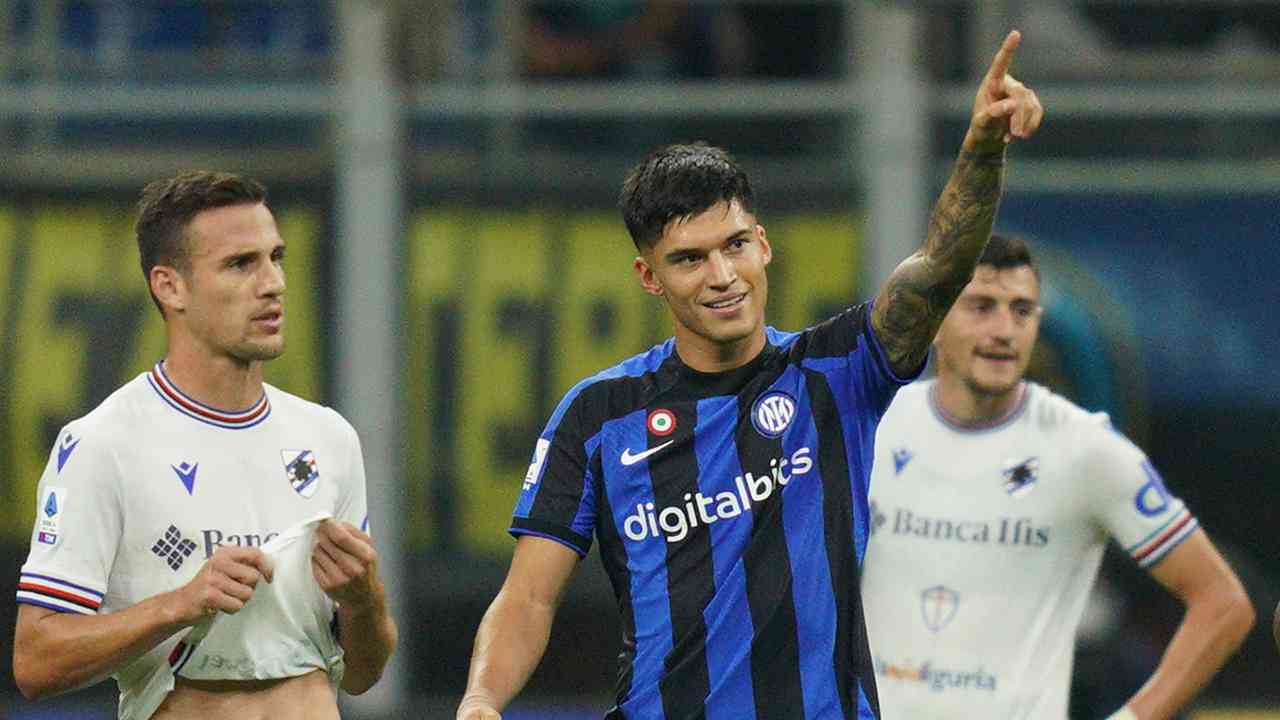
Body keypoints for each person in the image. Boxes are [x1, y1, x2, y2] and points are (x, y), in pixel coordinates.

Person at [457, 30, 1043, 720]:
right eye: (689, 259)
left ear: (763, 244)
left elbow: (941, 266)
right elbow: (528, 596)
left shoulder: (836, 371)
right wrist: (481, 698)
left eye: (735, 245)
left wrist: (982, 150)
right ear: (649, 277)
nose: (722, 276)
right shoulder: (598, 416)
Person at [12, 172, 397, 719]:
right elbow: (35, 661)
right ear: (170, 287)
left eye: (276, 258)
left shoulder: (328, 438)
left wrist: (365, 600)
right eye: (241, 264)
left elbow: (362, 674)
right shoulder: (104, 444)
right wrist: (179, 605)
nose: (273, 283)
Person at [860, 234, 1254, 719]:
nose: (1004, 330)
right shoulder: (873, 427)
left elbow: (1223, 602)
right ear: (935, 320)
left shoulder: (1084, 449)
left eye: (1021, 311)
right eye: (982, 307)